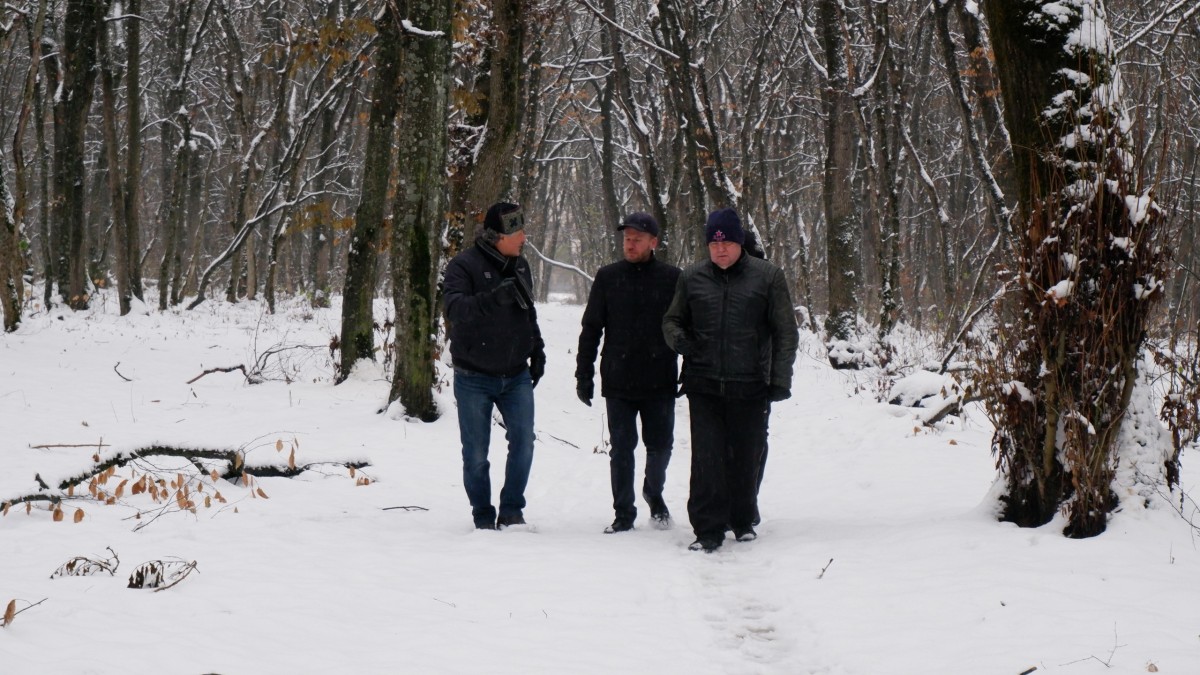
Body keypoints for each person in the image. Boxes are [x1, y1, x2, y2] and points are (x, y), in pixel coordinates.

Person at [662, 207, 798, 553]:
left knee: (745, 455)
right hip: (703, 382)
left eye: (727, 242)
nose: (720, 249)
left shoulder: (767, 277)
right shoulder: (692, 278)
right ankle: (707, 529)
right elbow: (671, 321)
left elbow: (785, 332)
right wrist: (680, 341)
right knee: (707, 458)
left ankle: (741, 519)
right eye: (714, 243)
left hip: (750, 383)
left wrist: (780, 379)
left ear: (740, 243)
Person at [576, 212, 682, 534]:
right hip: (619, 377)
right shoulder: (608, 277)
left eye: (637, 239)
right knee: (622, 449)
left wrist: (690, 366)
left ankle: (654, 490)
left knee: (661, 446)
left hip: (660, 377)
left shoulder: (673, 278)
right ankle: (624, 513)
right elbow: (591, 328)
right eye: (626, 238)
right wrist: (584, 374)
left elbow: (686, 327)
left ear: (654, 243)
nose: (630, 244)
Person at [443, 202, 546, 530]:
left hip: (516, 375)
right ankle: (483, 516)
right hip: (473, 375)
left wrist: (537, 349)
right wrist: (492, 299)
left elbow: (527, 310)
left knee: (524, 442)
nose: (523, 238)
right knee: (475, 454)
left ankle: (512, 510)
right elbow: (454, 309)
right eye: (517, 233)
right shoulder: (463, 266)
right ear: (496, 236)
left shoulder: (521, 265)